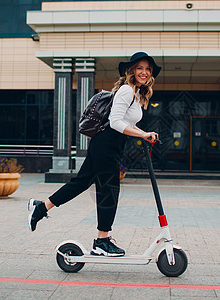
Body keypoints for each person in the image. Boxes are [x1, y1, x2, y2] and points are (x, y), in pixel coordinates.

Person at [28, 52, 161, 257]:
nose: (144, 72)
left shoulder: (135, 94)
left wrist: (141, 135)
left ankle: (40, 208)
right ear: (132, 70)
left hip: (109, 144)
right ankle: (101, 241)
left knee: (81, 182)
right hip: (107, 144)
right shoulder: (126, 90)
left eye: (148, 69)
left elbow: (126, 123)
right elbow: (116, 122)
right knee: (109, 191)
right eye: (140, 68)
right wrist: (143, 134)